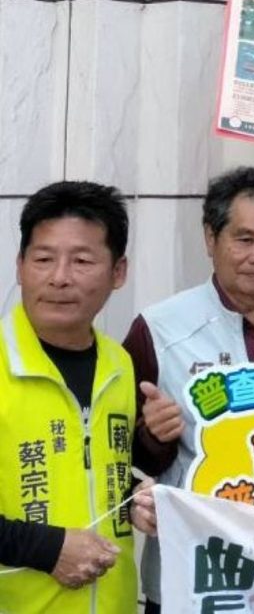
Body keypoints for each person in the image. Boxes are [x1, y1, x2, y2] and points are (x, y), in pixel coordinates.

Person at [127, 167, 254, 613]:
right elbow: (120, 457)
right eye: (245, 239)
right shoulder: (159, 328)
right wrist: (153, 438)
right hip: (194, 574)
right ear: (210, 237)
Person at [0, 181, 147, 613]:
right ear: (20, 266)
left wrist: (136, 498)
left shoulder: (119, 363)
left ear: (118, 272)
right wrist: (48, 549)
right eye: (43, 259)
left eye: (82, 261)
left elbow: (89, 470)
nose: (59, 277)